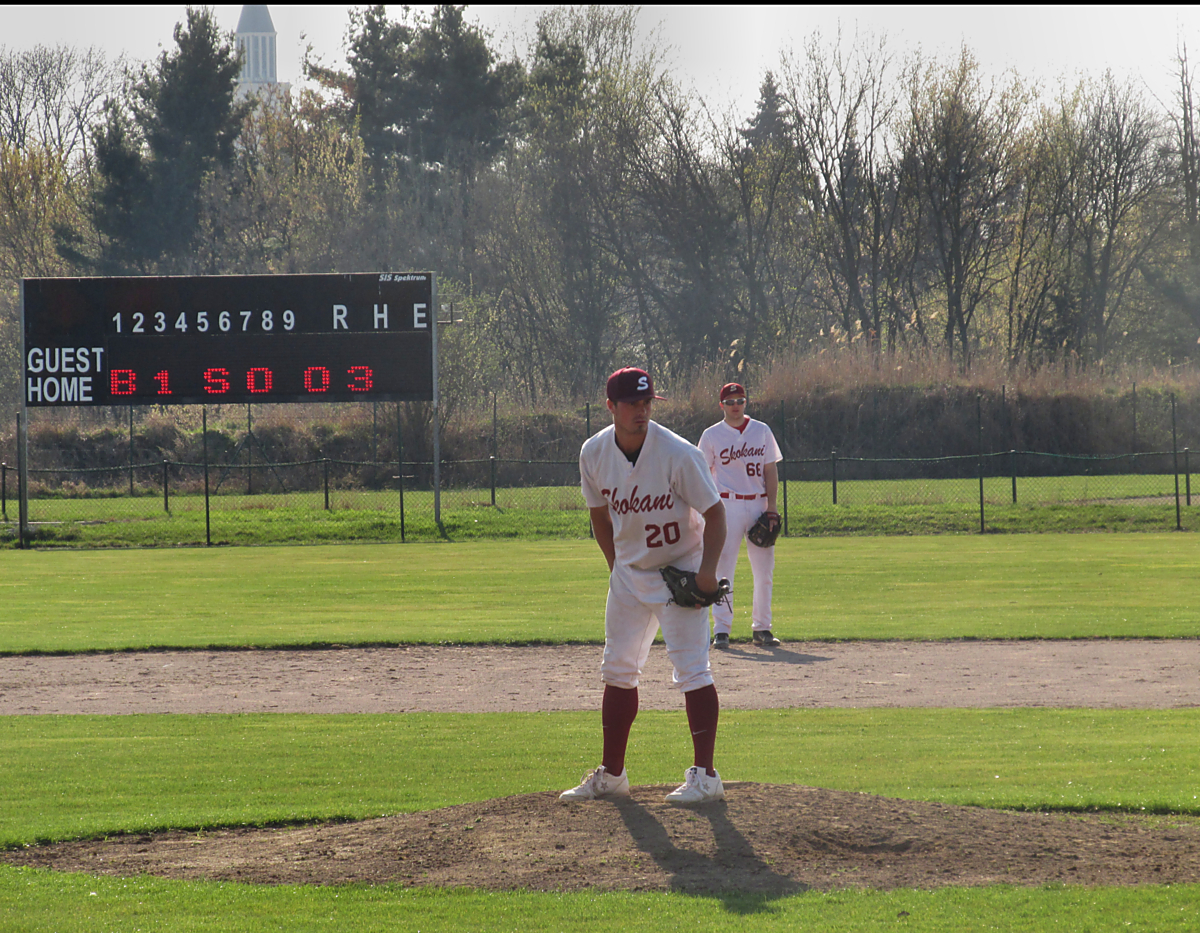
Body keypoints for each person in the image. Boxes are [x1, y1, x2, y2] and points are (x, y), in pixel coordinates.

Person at [560, 366, 729, 805]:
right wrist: (616, 568)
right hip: (629, 576)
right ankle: (612, 775)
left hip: (679, 572)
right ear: (610, 406)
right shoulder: (594, 453)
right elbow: (599, 515)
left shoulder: (678, 454)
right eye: (632, 403)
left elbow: (715, 514)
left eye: (647, 402)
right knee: (617, 670)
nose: (642, 410)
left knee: (693, 670)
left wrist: (707, 572)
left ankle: (706, 776)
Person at [697, 382, 783, 649]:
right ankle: (722, 630)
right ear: (721, 405)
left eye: (740, 401)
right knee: (723, 569)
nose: (736, 406)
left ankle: (762, 628)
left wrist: (772, 507)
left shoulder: (761, 430)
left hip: (758, 505)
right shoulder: (711, 435)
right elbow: (701, 474)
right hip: (727, 506)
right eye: (730, 402)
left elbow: (770, 470)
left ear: (746, 403)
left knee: (764, 571)